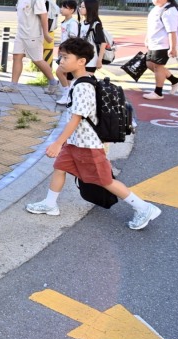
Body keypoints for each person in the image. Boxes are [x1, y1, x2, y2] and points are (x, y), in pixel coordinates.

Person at [26, 37, 161, 230]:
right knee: (59, 167)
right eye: (60, 57)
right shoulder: (80, 81)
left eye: (65, 57)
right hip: (75, 142)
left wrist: (58, 142)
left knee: (105, 181)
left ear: (81, 61)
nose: (60, 61)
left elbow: (76, 119)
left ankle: (144, 208)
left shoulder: (83, 87)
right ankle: (50, 203)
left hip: (88, 145)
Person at [0, 0, 59, 94]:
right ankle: (13, 85)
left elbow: (43, 16)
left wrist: (46, 33)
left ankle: (53, 82)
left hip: (33, 35)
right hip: (21, 34)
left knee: (37, 60)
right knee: (17, 56)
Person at [143, 0, 178, 100]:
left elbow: (172, 31)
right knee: (149, 63)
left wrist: (173, 48)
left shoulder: (169, 11)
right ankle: (174, 80)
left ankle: (158, 92)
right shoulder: (156, 8)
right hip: (154, 42)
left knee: (158, 67)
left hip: (162, 44)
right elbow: (152, 26)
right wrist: (147, 39)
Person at [54, 0, 81, 105]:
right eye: (62, 7)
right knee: (66, 75)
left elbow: (73, 39)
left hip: (69, 52)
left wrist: (66, 51)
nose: (62, 9)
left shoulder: (72, 23)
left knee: (59, 72)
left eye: (65, 7)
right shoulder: (65, 22)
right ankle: (68, 96)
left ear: (72, 10)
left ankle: (67, 94)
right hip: (65, 51)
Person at [77, 0, 108, 75]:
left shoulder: (96, 24)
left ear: (89, 9)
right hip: (81, 57)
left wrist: (99, 60)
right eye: (80, 6)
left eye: (83, 7)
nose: (80, 9)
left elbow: (103, 43)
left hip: (92, 59)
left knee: (86, 78)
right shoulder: (82, 23)